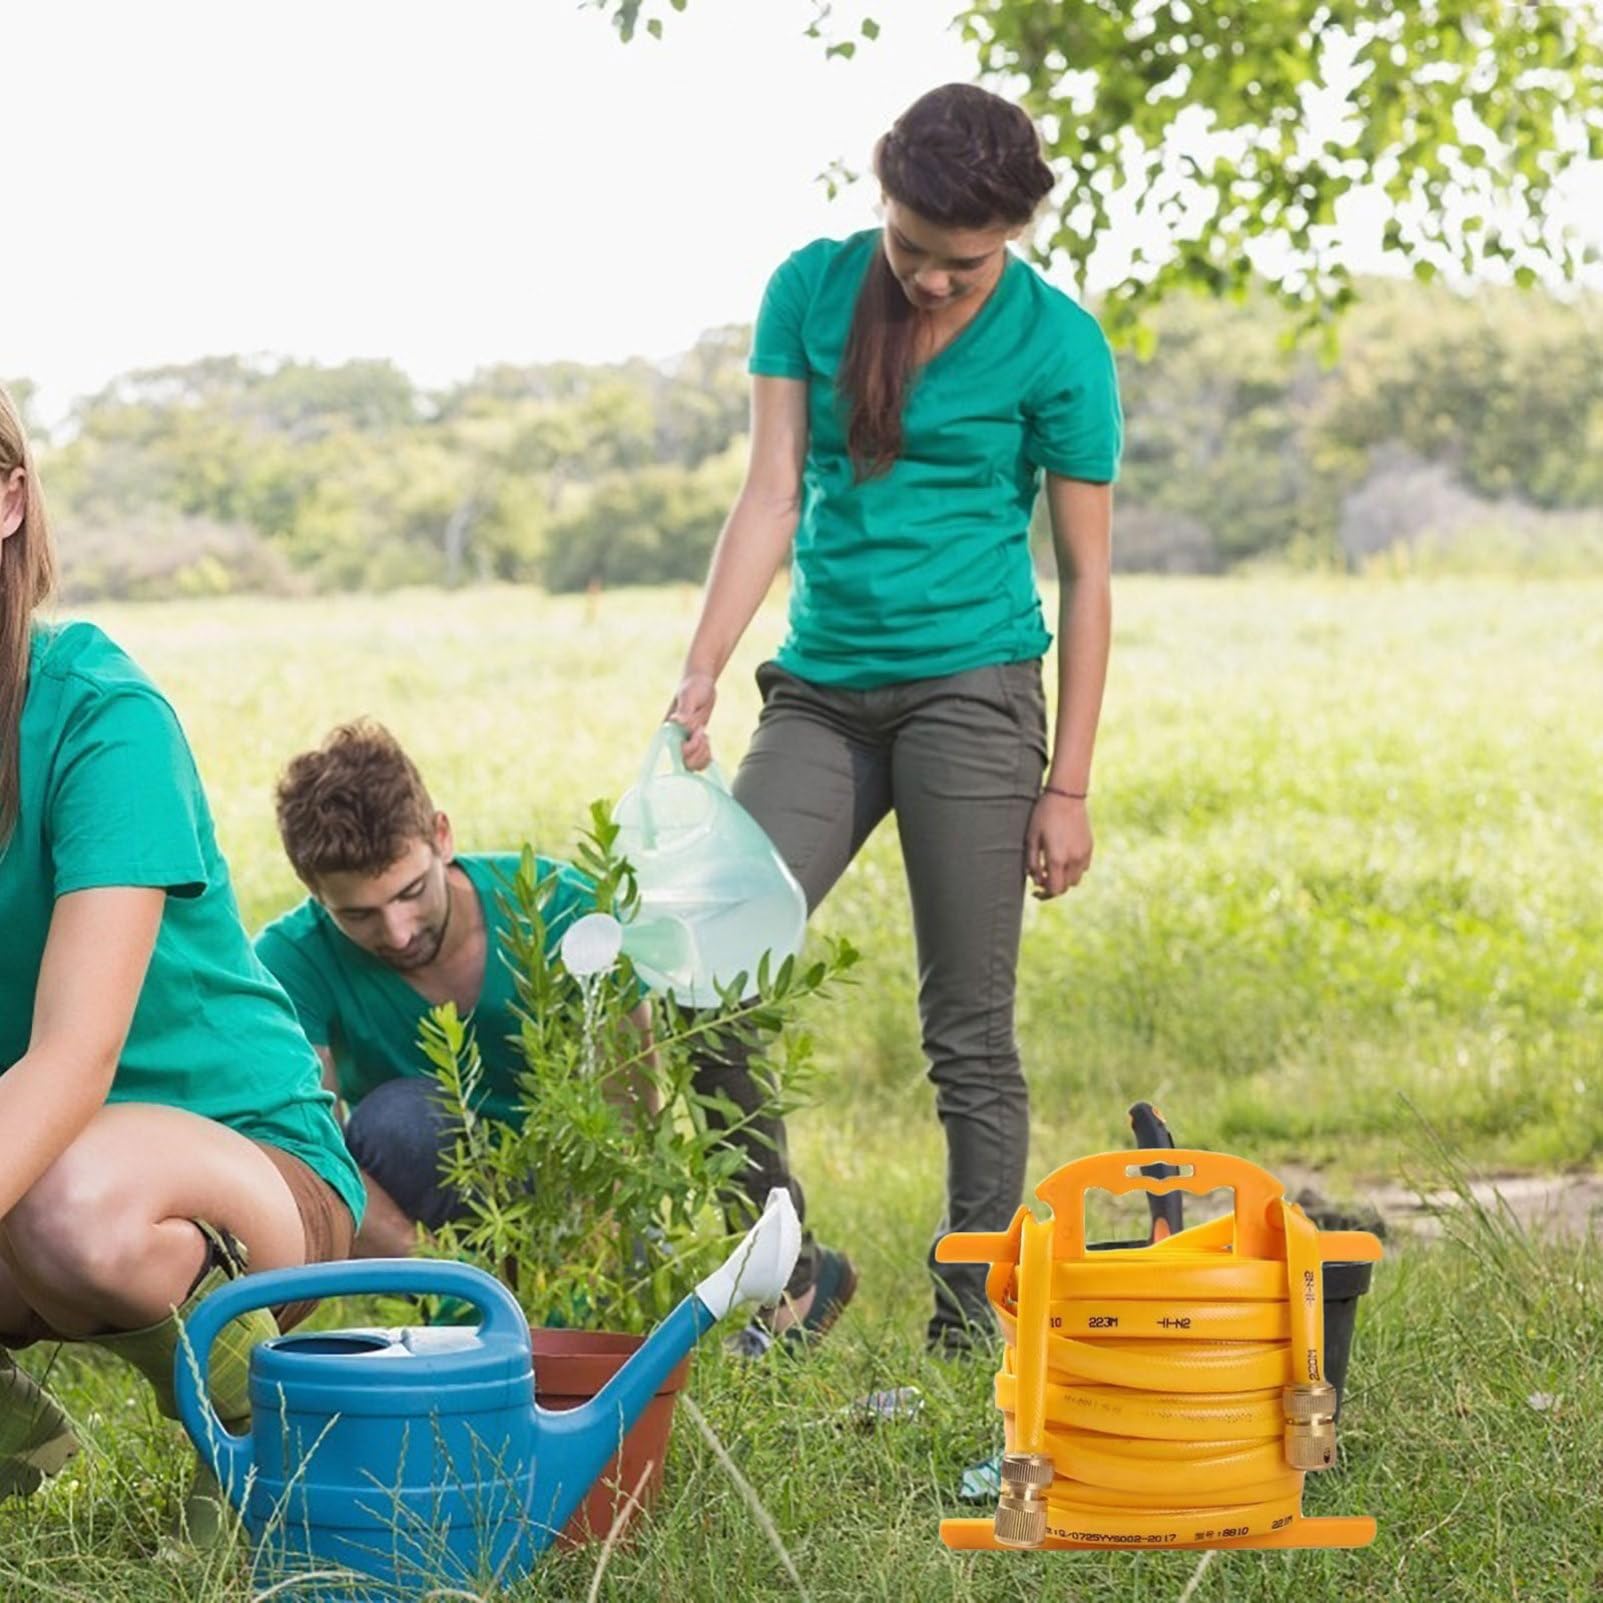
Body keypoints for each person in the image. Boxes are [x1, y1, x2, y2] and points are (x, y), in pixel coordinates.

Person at [668, 84, 1122, 1354]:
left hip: (973, 692)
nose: (927, 278)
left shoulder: (1057, 345)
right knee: (709, 969)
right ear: (881, 201)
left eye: (960, 263)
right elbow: (767, 496)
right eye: (909, 246)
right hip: (820, 692)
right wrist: (704, 666)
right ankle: (789, 1272)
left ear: (1015, 235)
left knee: (966, 1030)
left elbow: (1085, 574)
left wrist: (1067, 780)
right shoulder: (809, 292)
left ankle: (971, 1322)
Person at [0, 385, 364, 1531]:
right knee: (48, 1190)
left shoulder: (101, 712)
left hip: (239, 1169)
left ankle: (263, 1432)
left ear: (7, 500)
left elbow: (72, 1059)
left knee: (73, 1199)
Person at [255, 721, 638, 1256]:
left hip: (570, 1176)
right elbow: (312, 1159)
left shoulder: (563, 911)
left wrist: (595, 1249)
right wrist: (446, 1276)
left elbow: (630, 1107)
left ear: (442, 836)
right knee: (396, 1123)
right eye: (358, 915)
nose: (398, 932)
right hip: (432, 1195)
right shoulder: (292, 960)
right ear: (314, 894)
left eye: (410, 892)